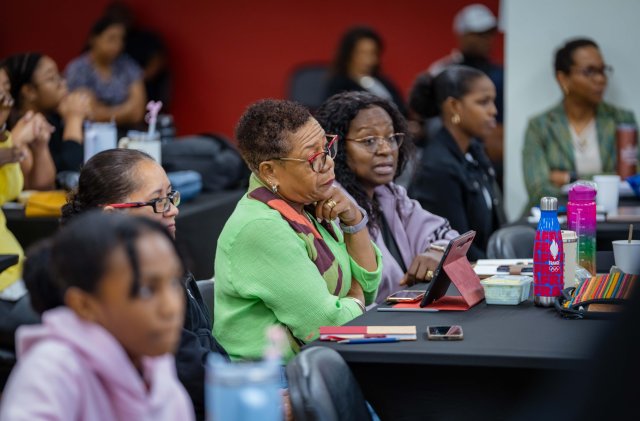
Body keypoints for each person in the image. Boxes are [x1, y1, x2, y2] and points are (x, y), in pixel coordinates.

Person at [59, 148, 225, 420]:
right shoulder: (105, 295)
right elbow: (188, 368)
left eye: (170, 196)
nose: (173, 209)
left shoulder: (162, 265)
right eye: (157, 201)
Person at [214, 99, 382, 362]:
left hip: (323, 360)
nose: (328, 163)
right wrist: (356, 300)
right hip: (271, 376)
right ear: (270, 172)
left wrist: (354, 220)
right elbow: (327, 326)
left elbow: (369, 287)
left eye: (327, 148)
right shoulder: (262, 226)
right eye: (313, 158)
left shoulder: (309, 204)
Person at [0, 212, 194, 420]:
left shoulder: (157, 371)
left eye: (174, 282)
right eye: (146, 291)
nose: (171, 307)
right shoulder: (53, 372)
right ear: (83, 305)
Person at [315, 91, 458, 302]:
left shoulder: (390, 194)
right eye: (369, 140)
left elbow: (448, 237)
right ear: (337, 147)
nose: (386, 150)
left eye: (390, 138)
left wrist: (436, 252)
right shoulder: (333, 205)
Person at [522, 38, 639, 211]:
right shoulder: (540, 126)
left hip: (613, 216)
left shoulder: (622, 120)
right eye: (589, 71)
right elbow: (538, 190)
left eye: (602, 70)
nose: (600, 79)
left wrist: (569, 179)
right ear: (563, 79)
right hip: (557, 219)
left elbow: (632, 178)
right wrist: (606, 182)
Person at [408, 65, 505, 261]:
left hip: (486, 267)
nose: (493, 111)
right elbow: (457, 248)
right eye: (483, 102)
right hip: (463, 272)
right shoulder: (437, 168)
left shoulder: (474, 151)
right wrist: (499, 267)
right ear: (453, 106)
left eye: (493, 101)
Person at [419, 3, 504, 188]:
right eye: (478, 34)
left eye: (489, 33)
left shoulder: (502, 74)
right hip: (450, 153)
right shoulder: (441, 71)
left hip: (491, 157)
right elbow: (431, 121)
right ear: (463, 35)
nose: (486, 39)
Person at [3, 52, 91, 174]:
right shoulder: (22, 129)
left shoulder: (54, 118)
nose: (63, 83)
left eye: (59, 76)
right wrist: (74, 120)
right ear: (29, 91)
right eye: (51, 78)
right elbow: (66, 173)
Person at [65, 15, 146, 127]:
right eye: (111, 38)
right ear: (93, 39)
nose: (117, 45)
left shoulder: (128, 66)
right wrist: (126, 110)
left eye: (121, 39)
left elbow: (137, 112)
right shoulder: (78, 69)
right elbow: (89, 112)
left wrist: (102, 110)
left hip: (127, 132)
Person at [325, 26, 407, 116]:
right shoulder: (340, 85)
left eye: (372, 53)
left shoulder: (385, 82)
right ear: (349, 54)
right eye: (362, 53)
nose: (368, 59)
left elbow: (403, 109)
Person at [0, 62, 56, 190]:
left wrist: (40, 147)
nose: (3, 95)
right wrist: (16, 140)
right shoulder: (13, 135)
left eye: (6, 87)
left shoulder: (6, 133)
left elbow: (43, 187)